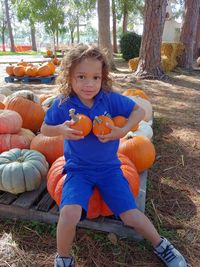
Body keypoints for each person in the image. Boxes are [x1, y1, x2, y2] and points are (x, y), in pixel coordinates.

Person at [41, 44, 187, 267]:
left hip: (110, 169)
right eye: (81, 76)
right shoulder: (64, 104)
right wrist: (60, 129)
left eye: (95, 77)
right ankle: (63, 258)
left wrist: (123, 130)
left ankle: (162, 245)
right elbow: (44, 129)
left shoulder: (108, 99)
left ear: (103, 78)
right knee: (69, 215)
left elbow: (138, 111)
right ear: (69, 76)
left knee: (130, 215)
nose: (89, 84)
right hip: (78, 170)